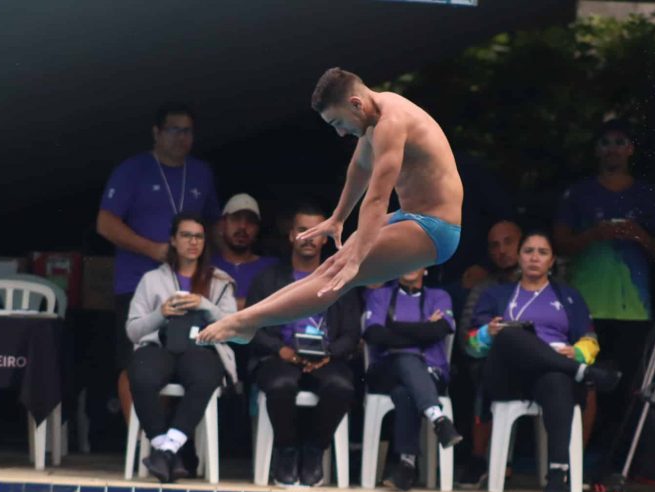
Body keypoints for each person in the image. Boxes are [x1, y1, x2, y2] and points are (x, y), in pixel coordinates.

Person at [197, 67, 462, 346]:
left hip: (436, 229)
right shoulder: (374, 114)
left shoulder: (391, 123)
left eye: (338, 122)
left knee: (340, 277)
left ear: (355, 104)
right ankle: (246, 319)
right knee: (330, 266)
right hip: (409, 216)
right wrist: (338, 218)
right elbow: (360, 167)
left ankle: (243, 322)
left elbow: (376, 199)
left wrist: (357, 260)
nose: (339, 133)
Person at [467, 231, 620, 492]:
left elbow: (589, 338)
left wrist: (579, 353)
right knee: (510, 333)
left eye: (542, 252)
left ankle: (558, 473)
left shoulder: (569, 297)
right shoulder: (497, 295)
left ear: (552, 261)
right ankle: (581, 373)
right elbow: (471, 346)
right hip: (507, 375)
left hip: (552, 371)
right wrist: (486, 334)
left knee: (557, 380)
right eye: (528, 251)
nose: (534, 257)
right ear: (519, 258)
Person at [96, 104, 220, 426]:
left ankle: (168, 441)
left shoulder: (201, 173)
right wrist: (152, 249)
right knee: (134, 362)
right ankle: (139, 446)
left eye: (188, 131)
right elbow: (105, 224)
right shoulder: (132, 169)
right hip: (138, 284)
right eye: (174, 130)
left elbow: (213, 225)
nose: (181, 137)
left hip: (189, 286)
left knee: (180, 361)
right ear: (157, 133)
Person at [553, 119, 655, 446]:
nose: (613, 149)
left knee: (626, 385)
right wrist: (593, 234)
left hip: (633, 307)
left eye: (620, 142)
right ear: (597, 150)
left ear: (631, 149)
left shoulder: (646, 195)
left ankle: (616, 457)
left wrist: (640, 236)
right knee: (582, 380)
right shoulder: (579, 193)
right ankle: (579, 454)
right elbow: (559, 243)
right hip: (585, 303)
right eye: (606, 142)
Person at [247, 205, 361, 487]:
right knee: (281, 384)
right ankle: (286, 453)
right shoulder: (268, 279)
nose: (309, 237)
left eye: (317, 232)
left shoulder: (341, 280)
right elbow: (251, 325)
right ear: (291, 236)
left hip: (327, 358)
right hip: (281, 356)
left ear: (326, 238)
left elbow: (351, 333)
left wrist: (330, 354)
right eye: (302, 230)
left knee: (342, 386)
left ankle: (314, 452)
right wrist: (279, 349)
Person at [125, 213, 235, 483]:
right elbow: (133, 330)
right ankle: (167, 449)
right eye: (186, 235)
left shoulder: (220, 281)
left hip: (201, 348)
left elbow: (234, 328)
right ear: (173, 240)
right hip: (159, 346)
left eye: (198, 236)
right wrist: (161, 313)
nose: (192, 242)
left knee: (205, 375)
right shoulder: (152, 279)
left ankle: (165, 451)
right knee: (141, 373)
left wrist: (204, 305)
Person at [363, 268, 461, 491]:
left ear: (426, 268)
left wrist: (393, 328)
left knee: (405, 392)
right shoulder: (380, 296)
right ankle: (438, 418)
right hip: (386, 370)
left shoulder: (439, 296)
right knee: (406, 358)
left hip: (430, 371)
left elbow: (440, 330)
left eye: (417, 259)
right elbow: (374, 334)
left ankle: (407, 466)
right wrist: (423, 329)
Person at [456, 219, 522, 488]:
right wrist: (487, 334)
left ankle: (561, 468)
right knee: (492, 374)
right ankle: (481, 458)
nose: (502, 251)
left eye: (509, 242)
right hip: (491, 365)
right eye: (495, 245)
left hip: (540, 367)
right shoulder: (484, 288)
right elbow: (465, 342)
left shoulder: (551, 288)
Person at [211, 193, 278, 310]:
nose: (242, 226)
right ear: (222, 224)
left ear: (257, 229)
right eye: (236, 219)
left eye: (250, 221)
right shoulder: (207, 265)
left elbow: (277, 306)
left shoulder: (272, 267)